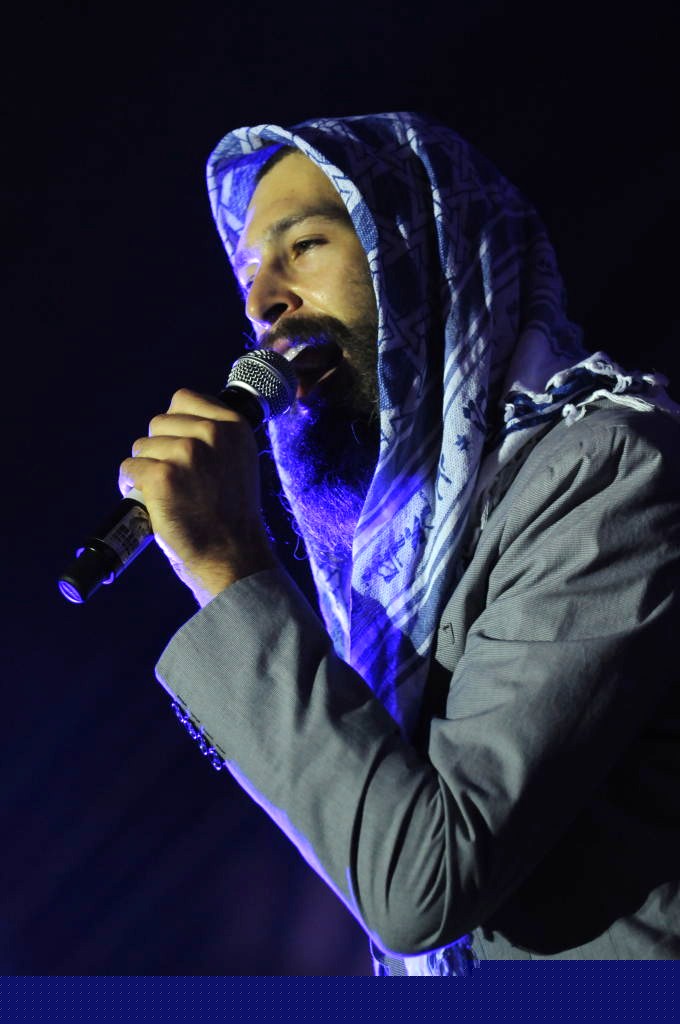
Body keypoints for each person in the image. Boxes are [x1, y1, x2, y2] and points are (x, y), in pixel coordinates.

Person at [119, 112, 680, 972]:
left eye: (303, 246)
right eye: (248, 274)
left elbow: (421, 885)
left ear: (427, 255)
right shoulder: (390, 560)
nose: (263, 303)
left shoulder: (606, 472)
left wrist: (227, 566)